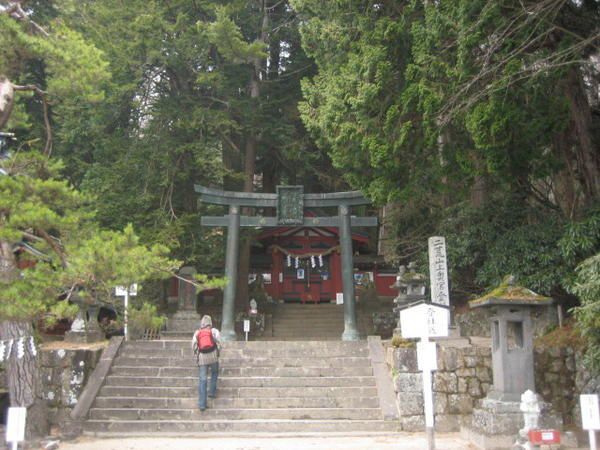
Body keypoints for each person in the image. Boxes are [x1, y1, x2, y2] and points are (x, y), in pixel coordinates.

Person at [191, 315, 220, 411]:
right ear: (210, 323)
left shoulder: (197, 333)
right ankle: (212, 391)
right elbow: (219, 343)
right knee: (215, 372)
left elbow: (194, 346)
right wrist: (218, 353)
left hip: (202, 357)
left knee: (202, 380)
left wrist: (197, 355)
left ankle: (202, 404)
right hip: (213, 356)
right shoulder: (214, 331)